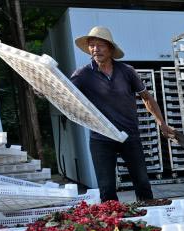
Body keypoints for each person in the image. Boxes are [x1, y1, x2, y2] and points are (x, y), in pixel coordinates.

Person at [70, 26, 177, 202]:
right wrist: (44, 89)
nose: (96, 49)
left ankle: (150, 217)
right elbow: (64, 91)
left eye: (100, 45)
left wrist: (161, 123)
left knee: (142, 183)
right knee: (107, 189)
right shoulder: (83, 74)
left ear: (110, 48)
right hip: (101, 137)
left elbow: (147, 98)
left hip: (130, 135)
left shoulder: (127, 71)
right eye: (92, 45)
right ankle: (115, 225)